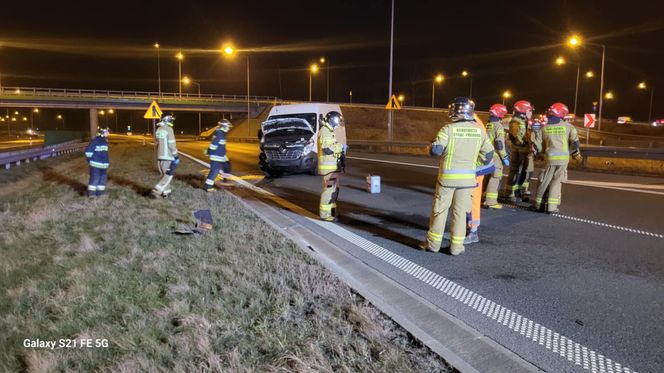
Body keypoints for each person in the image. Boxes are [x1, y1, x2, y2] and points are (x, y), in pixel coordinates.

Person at [419, 97, 494, 255]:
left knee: (440, 212)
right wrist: (474, 165)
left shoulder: (448, 129)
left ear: (453, 112)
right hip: (467, 181)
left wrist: (431, 147)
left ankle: (433, 245)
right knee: (460, 214)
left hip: (447, 181)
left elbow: (436, 151)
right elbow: (488, 155)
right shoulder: (479, 130)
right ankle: (456, 248)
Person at [530, 103, 581, 213]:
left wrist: (536, 153)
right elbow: (576, 143)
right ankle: (552, 208)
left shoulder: (544, 128)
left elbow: (536, 146)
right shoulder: (568, 127)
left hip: (549, 159)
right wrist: (571, 152)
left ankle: (538, 205)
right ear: (562, 114)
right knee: (556, 182)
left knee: (544, 181)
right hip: (563, 160)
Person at [502, 100, 534, 203]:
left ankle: (517, 192)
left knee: (521, 171)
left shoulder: (522, 121)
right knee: (516, 171)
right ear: (523, 111)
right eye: (529, 110)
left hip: (523, 151)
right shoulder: (516, 121)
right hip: (520, 151)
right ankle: (511, 194)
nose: (531, 112)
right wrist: (525, 144)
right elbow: (514, 136)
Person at [318, 111, 346, 221]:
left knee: (334, 191)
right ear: (331, 120)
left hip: (333, 168)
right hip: (328, 169)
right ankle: (325, 215)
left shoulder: (329, 131)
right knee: (329, 191)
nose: (338, 123)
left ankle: (332, 213)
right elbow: (327, 149)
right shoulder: (325, 131)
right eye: (337, 121)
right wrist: (341, 147)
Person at [482, 104, 510, 208]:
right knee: (495, 177)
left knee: (487, 176)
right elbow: (499, 144)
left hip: (486, 154)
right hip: (495, 156)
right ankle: (490, 202)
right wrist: (505, 157)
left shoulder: (488, 124)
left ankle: (484, 195)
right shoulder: (498, 126)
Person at [151, 114, 179, 198]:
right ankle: (157, 190)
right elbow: (171, 144)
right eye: (171, 120)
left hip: (160, 156)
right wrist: (176, 155)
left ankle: (166, 193)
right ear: (167, 120)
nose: (172, 121)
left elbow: (156, 143)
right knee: (168, 175)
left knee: (164, 174)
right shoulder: (169, 129)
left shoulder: (159, 129)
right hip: (168, 156)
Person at [204, 119, 232, 191]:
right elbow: (213, 145)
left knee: (227, 165)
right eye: (228, 126)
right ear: (224, 126)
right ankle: (208, 187)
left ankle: (225, 179)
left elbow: (220, 146)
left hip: (220, 156)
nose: (229, 128)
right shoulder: (220, 134)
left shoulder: (220, 133)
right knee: (214, 171)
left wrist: (225, 157)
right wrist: (209, 152)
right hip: (216, 157)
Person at [84, 128, 110, 198]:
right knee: (95, 179)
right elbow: (88, 152)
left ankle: (100, 194)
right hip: (96, 165)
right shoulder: (95, 141)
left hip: (103, 166)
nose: (108, 133)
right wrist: (91, 161)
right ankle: (91, 195)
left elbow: (105, 154)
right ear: (102, 132)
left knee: (102, 180)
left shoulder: (104, 141)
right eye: (107, 132)